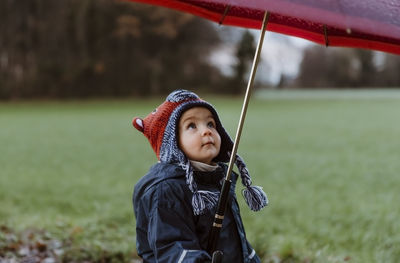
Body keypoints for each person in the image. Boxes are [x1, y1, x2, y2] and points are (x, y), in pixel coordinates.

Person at [132, 90, 268, 263]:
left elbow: (234, 241)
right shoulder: (166, 189)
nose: (206, 131)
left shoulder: (218, 179)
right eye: (192, 126)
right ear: (172, 142)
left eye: (210, 124)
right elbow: (172, 248)